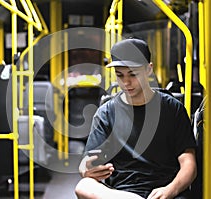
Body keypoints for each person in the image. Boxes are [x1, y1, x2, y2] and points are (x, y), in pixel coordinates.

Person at [74, 38, 197, 199]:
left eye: (133, 74)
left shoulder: (172, 108)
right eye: (120, 75)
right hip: (122, 192)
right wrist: (86, 168)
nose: (126, 82)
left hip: (164, 189)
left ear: (148, 69)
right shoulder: (106, 113)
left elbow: (189, 164)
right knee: (83, 185)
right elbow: (87, 163)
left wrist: (170, 190)